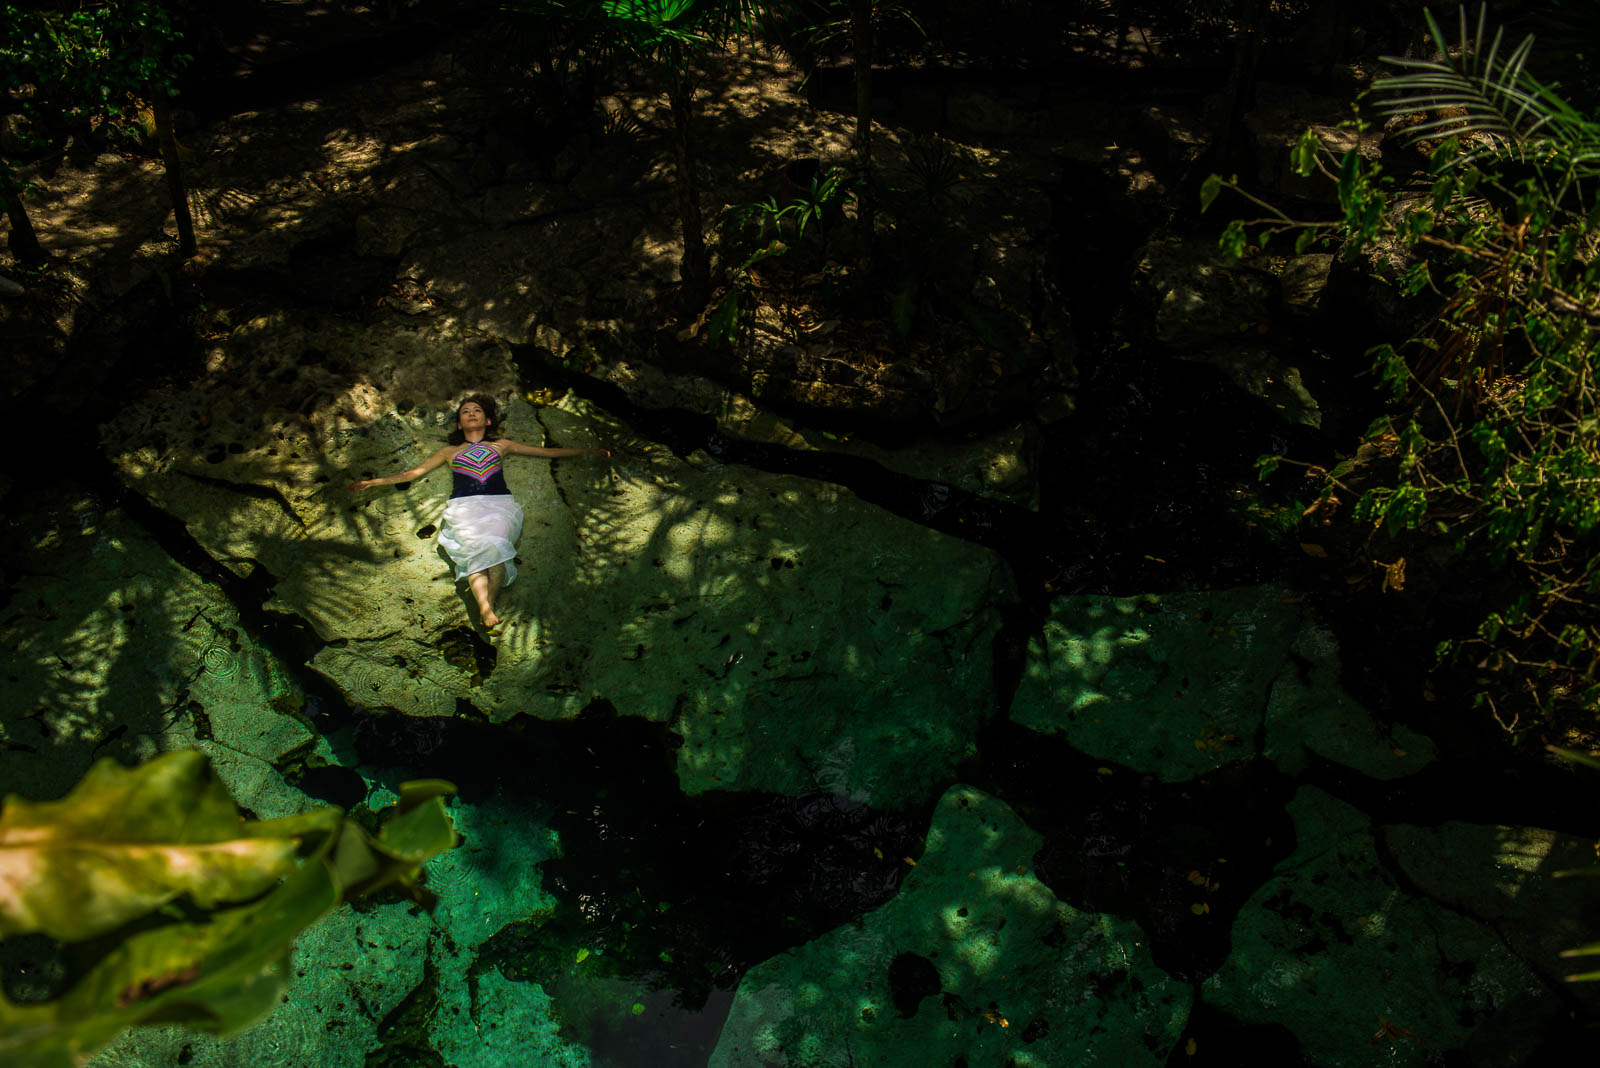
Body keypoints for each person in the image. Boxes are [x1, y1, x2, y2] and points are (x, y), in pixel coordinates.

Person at [347, 394, 609, 630]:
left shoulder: (501, 445)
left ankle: (486, 606)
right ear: (460, 425)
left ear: (488, 420)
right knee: (478, 555)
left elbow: (547, 452)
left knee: (494, 550)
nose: (471, 413)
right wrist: (372, 482)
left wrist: (587, 450)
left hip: (499, 507)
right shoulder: (449, 451)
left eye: (477, 410)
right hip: (465, 509)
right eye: (465, 411)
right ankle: (486, 609)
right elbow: (412, 474)